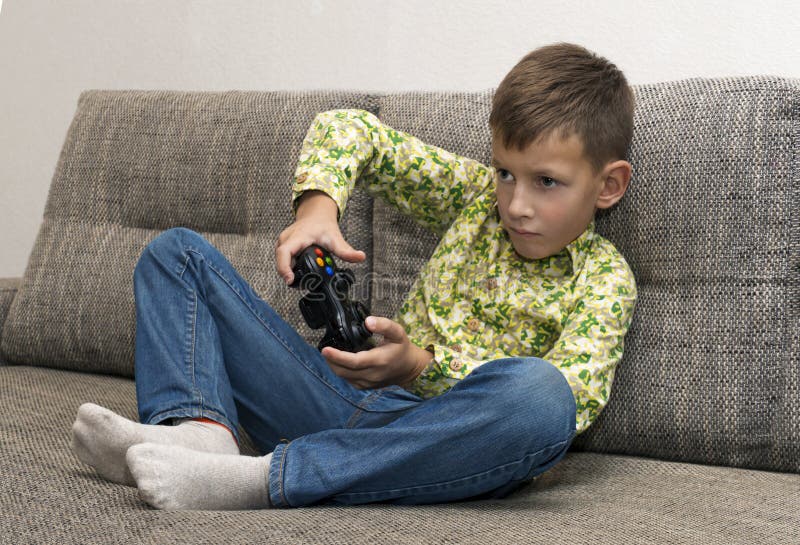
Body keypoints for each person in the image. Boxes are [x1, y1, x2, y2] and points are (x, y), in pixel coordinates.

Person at [70, 41, 637, 510]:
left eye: (546, 182)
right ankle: (201, 433)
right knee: (177, 253)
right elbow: (351, 129)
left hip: (448, 446)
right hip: (344, 402)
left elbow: (573, 407)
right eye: (506, 174)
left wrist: (420, 366)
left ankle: (265, 480)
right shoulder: (474, 198)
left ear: (608, 185)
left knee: (543, 395)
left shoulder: (604, 279)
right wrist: (317, 208)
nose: (515, 204)